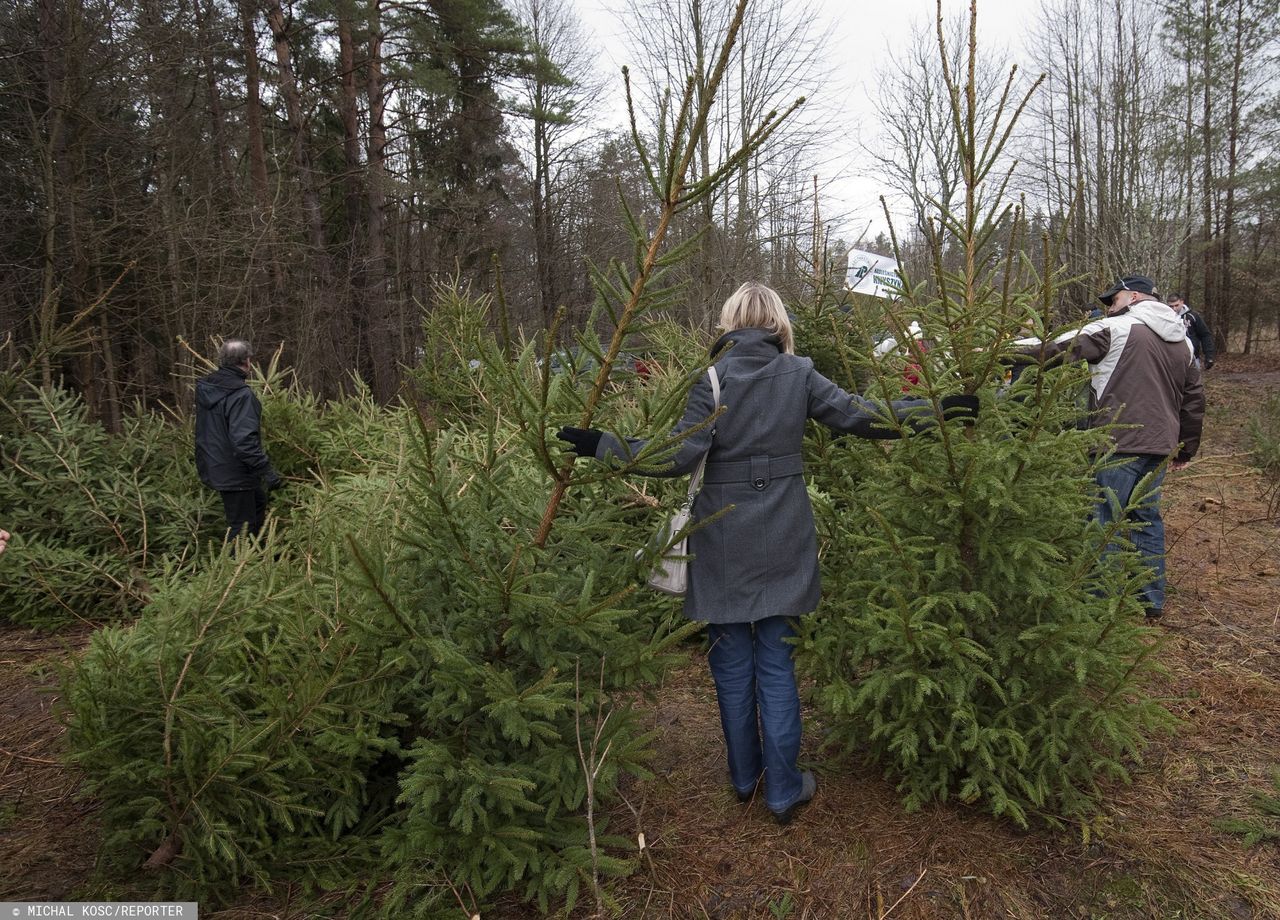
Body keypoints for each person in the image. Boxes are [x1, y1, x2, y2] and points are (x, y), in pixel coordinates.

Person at [557, 282, 977, 824]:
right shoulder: (799, 374)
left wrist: (602, 445)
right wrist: (939, 411)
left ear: (729, 324)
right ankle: (782, 791)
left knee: (731, 660)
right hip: (784, 531)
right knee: (776, 662)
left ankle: (741, 777)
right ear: (779, 324)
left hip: (721, 534)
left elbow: (678, 458)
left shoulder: (710, 378)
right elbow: (861, 416)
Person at [1022, 274, 1204, 620]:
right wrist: (1185, 449)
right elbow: (1193, 399)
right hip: (1159, 446)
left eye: (1114, 299)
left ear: (1133, 296)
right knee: (1145, 519)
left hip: (1116, 443)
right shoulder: (1183, 342)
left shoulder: (1118, 329)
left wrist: (990, 354)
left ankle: (1095, 604)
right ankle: (1149, 602)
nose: (1110, 306)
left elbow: (1053, 347)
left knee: (1100, 520)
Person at [195, 339, 284, 542]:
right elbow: (244, 441)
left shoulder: (208, 388)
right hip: (235, 471)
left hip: (214, 464)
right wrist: (267, 471)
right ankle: (236, 569)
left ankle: (261, 557)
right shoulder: (241, 395)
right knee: (242, 527)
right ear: (247, 361)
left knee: (258, 504)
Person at [1167, 293, 1215, 369]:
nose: (1174, 309)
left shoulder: (1193, 316)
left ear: (1182, 302)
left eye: (1176, 305)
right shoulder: (1166, 318)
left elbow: (1205, 335)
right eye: (1171, 306)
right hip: (1172, 359)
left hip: (1193, 357)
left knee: (1194, 380)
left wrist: (1209, 356)